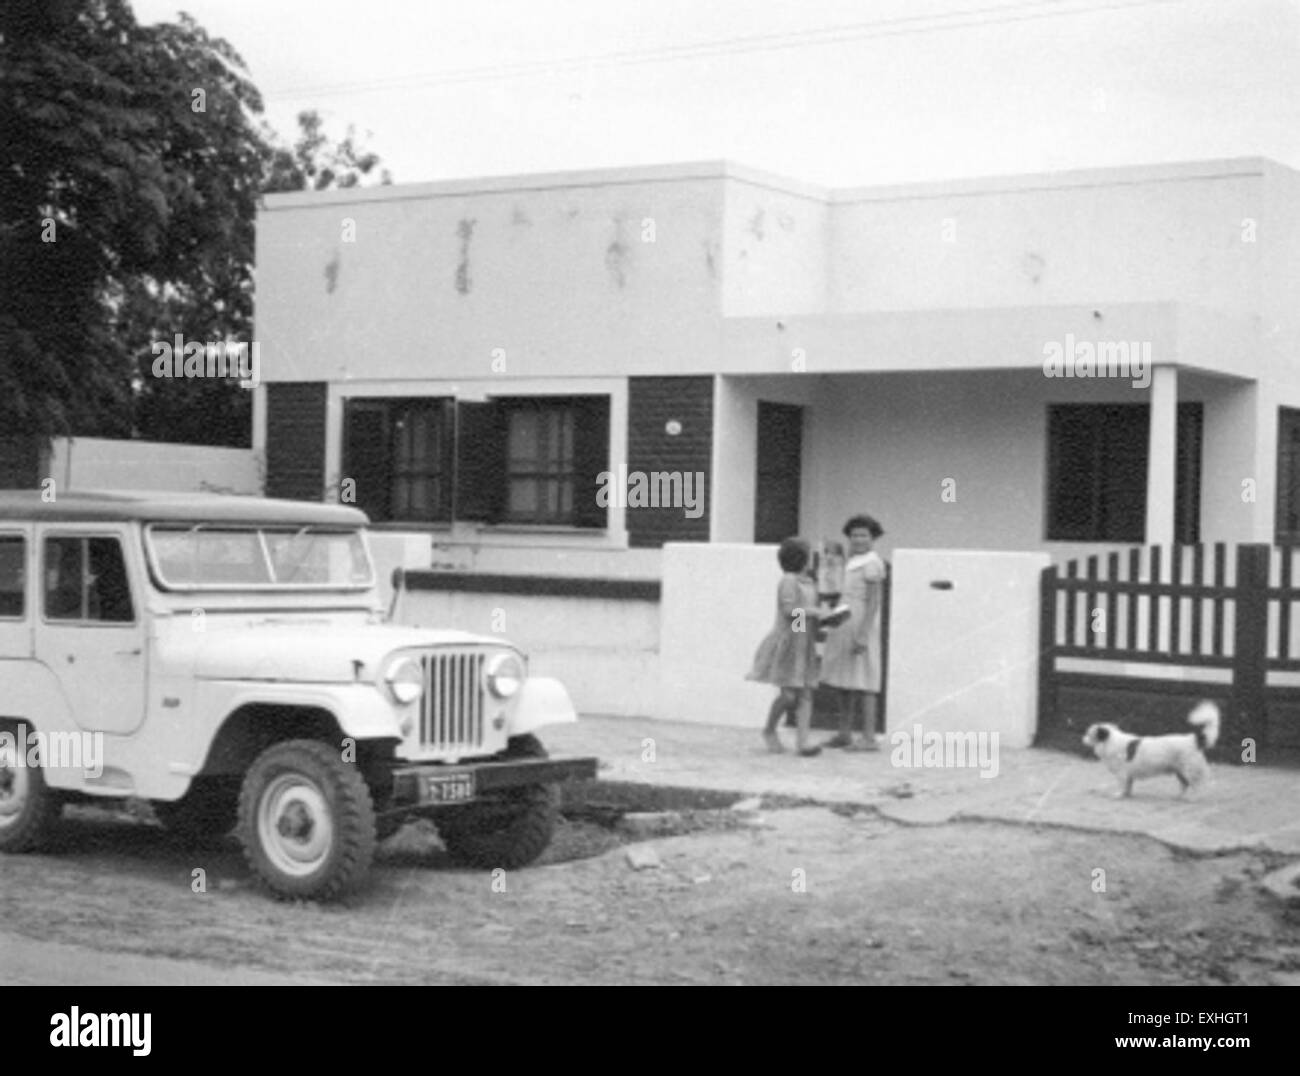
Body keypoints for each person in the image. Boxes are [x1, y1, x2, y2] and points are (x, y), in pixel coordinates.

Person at [746, 537, 827, 757]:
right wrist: (814, 612)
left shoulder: (809, 583)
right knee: (789, 694)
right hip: (789, 642)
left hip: (803, 641)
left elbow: (802, 617)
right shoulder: (789, 581)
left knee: (806, 693)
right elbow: (790, 611)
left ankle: (803, 742)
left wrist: (823, 621)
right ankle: (769, 729)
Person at [819, 514, 886, 751]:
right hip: (842, 619)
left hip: (860, 620)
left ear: (873, 538)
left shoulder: (872, 563)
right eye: (855, 535)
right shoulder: (847, 561)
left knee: (865, 679)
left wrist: (864, 633)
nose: (858, 539)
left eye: (864, 535)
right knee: (842, 680)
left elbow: (874, 602)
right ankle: (844, 733)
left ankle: (869, 738)